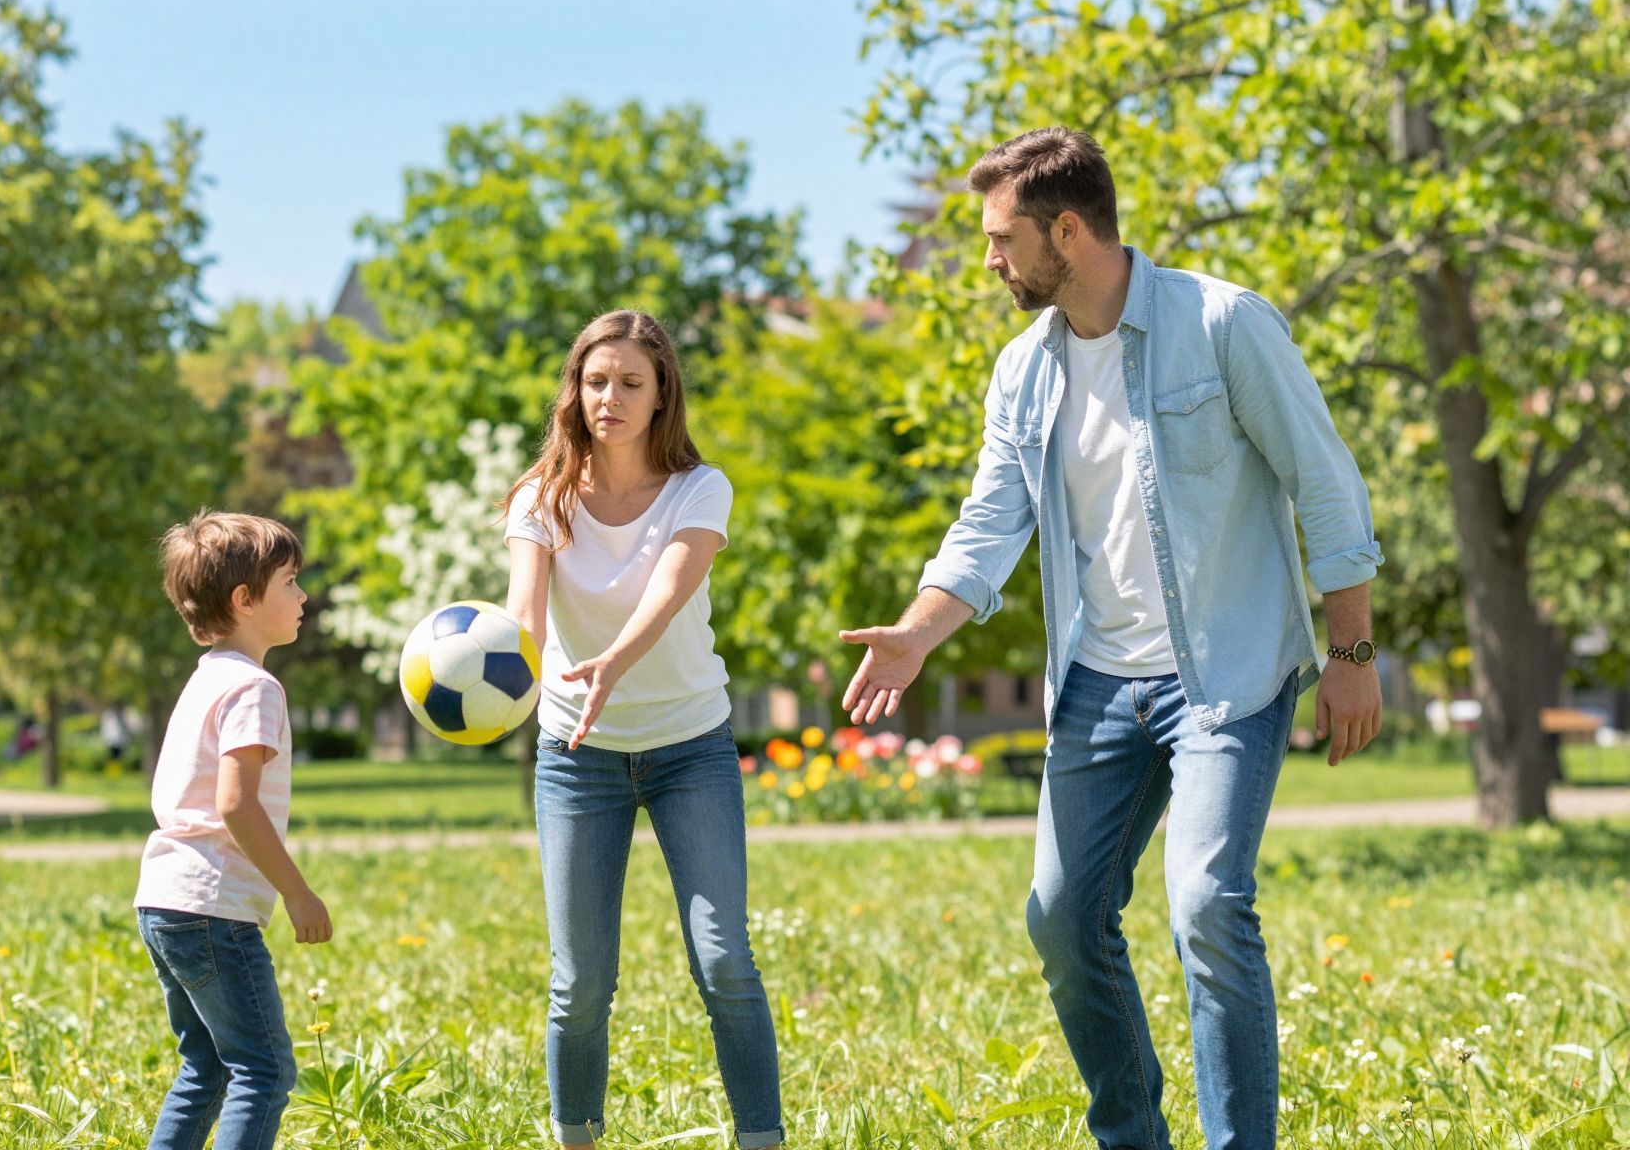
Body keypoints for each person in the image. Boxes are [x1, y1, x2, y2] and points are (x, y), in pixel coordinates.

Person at [840, 128, 1384, 1149]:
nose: (989, 261)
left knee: (1205, 906)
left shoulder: (1222, 324)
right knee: (1058, 918)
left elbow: (1325, 484)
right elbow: (989, 520)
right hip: (1095, 683)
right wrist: (916, 634)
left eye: (1001, 239)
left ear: (1067, 229)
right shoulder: (1022, 371)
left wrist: (1350, 658)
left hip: (1223, 672)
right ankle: (1130, 1136)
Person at [503, 309, 785, 1149]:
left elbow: (667, 590)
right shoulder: (540, 497)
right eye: (595, 381)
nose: (610, 398)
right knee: (580, 983)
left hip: (688, 750)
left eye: (631, 382)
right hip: (575, 756)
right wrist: (499, 676)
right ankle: (577, 1138)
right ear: (574, 391)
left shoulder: (701, 489)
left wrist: (612, 662)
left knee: (725, 960)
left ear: (663, 394)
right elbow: (523, 611)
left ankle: (761, 1138)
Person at [134, 510, 333, 1150]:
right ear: (245, 600)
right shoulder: (255, 689)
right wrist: (298, 893)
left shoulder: (204, 681)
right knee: (266, 1070)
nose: (302, 596)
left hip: (164, 900)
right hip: (212, 909)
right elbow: (236, 805)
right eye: (290, 583)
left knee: (207, 1067)